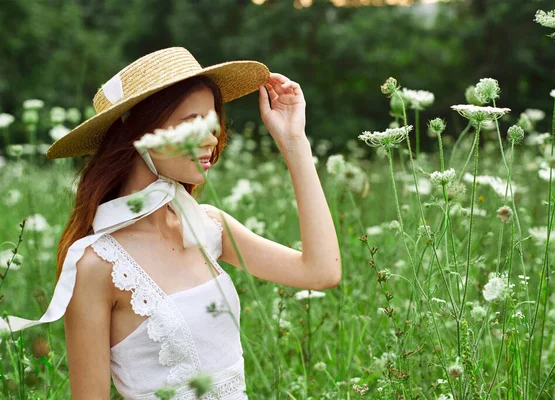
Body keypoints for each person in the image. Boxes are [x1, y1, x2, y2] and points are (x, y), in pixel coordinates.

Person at [0, 47, 342, 399]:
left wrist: (293, 141)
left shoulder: (208, 226)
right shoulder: (96, 265)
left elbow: (321, 272)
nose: (211, 139)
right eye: (192, 123)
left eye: (213, 123)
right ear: (141, 134)